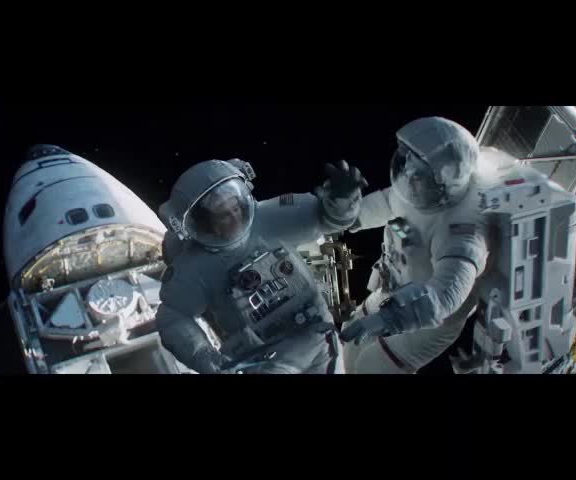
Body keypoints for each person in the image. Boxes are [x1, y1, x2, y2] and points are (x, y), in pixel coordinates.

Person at [156, 158, 367, 374]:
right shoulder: (195, 267)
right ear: (204, 222)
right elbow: (172, 317)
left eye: (235, 207)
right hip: (262, 358)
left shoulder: (269, 217)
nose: (235, 216)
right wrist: (203, 355)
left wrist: (342, 200)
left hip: (316, 337)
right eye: (223, 215)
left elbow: (325, 218)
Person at [340, 117, 491, 374]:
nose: (408, 173)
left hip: (431, 320)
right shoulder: (416, 191)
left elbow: (444, 297)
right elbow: (387, 203)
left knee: (373, 366)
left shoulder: (463, 232)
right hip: (395, 289)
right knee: (349, 337)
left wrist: (389, 319)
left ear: (443, 180)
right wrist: (344, 216)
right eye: (405, 161)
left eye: (417, 171)